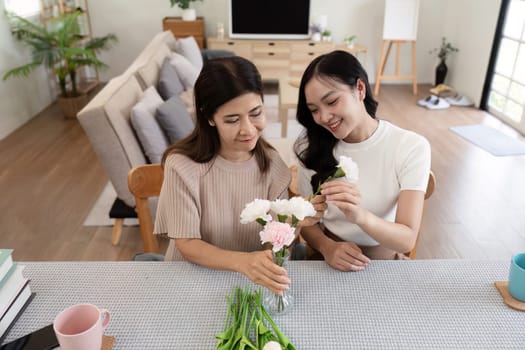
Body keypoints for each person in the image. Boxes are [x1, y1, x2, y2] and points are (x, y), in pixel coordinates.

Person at [154, 56, 322, 295]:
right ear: (209, 118)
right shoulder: (181, 165)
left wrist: (294, 224)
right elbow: (187, 244)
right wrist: (242, 262)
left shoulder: (273, 165)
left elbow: (271, 246)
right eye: (232, 120)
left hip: (249, 283)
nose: (248, 129)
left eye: (256, 113)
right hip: (189, 280)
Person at [294, 50, 431, 271]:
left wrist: (359, 216)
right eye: (314, 110)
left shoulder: (409, 146)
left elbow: (407, 240)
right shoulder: (312, 148)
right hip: (325, 258)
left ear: (359, 89)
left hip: (384, 264)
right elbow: (307, 222)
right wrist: (327, 247)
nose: (324, 117)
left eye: (332, 101)